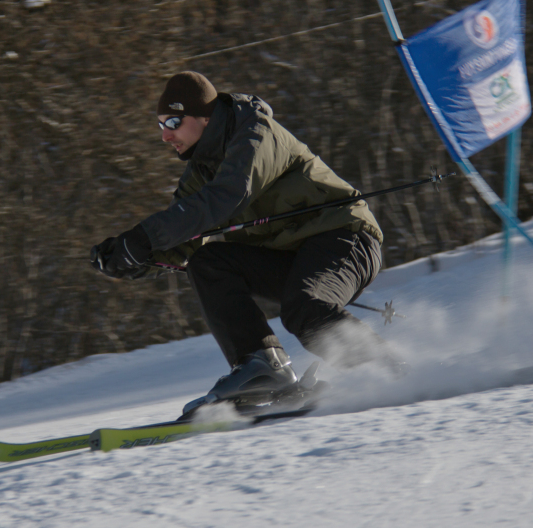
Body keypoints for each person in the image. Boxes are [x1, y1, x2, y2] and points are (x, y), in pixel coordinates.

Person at [91, 71, 386, 410]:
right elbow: (182, 240)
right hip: (292, 258)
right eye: (160, 125)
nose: (165, 135)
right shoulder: (200, 172)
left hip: (345, 238)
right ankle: (263, 367)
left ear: (205, 117)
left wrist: (143, 237)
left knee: (304, 309)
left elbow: (228, 195)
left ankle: (390, 374)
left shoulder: (255, 134)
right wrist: (130, 259)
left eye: (173, 122)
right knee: (207, 262)